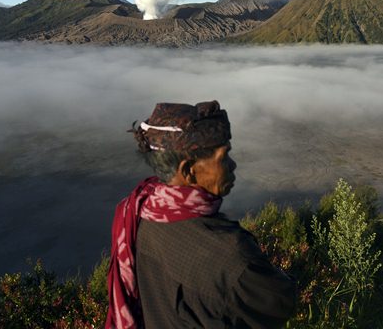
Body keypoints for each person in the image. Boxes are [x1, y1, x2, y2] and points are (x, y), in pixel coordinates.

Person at [106, 101, 296, 329]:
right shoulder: (231, 254)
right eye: (224, 157)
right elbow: (282, 302)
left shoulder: (140, 213)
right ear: (188, 170)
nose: (233, 165)